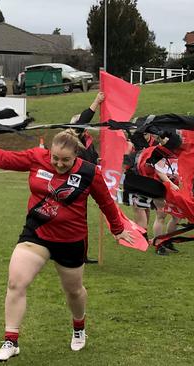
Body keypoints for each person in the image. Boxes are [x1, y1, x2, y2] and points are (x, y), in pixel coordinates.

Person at [0, 130, 133, 361]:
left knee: (73, 291)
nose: (59, 163)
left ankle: (78, 327)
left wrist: (118, 228)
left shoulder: (89, 172)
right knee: (16, 282)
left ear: (76, 155)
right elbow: (3, 159)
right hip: (37, 234)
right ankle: (11, 341)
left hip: (71, 240)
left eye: (65, 160)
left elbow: (105, 201)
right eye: (55, 158)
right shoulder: (36, 157)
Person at [70, 92, 105, 263]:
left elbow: (92, 157)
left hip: (86, 182)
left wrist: (98, 160)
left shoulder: (87, 139)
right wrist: (96, 102)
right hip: (73, 184)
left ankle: (81, 256)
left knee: (81, 221)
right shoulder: (71, 137)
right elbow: (84, 119)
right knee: (72, 221)